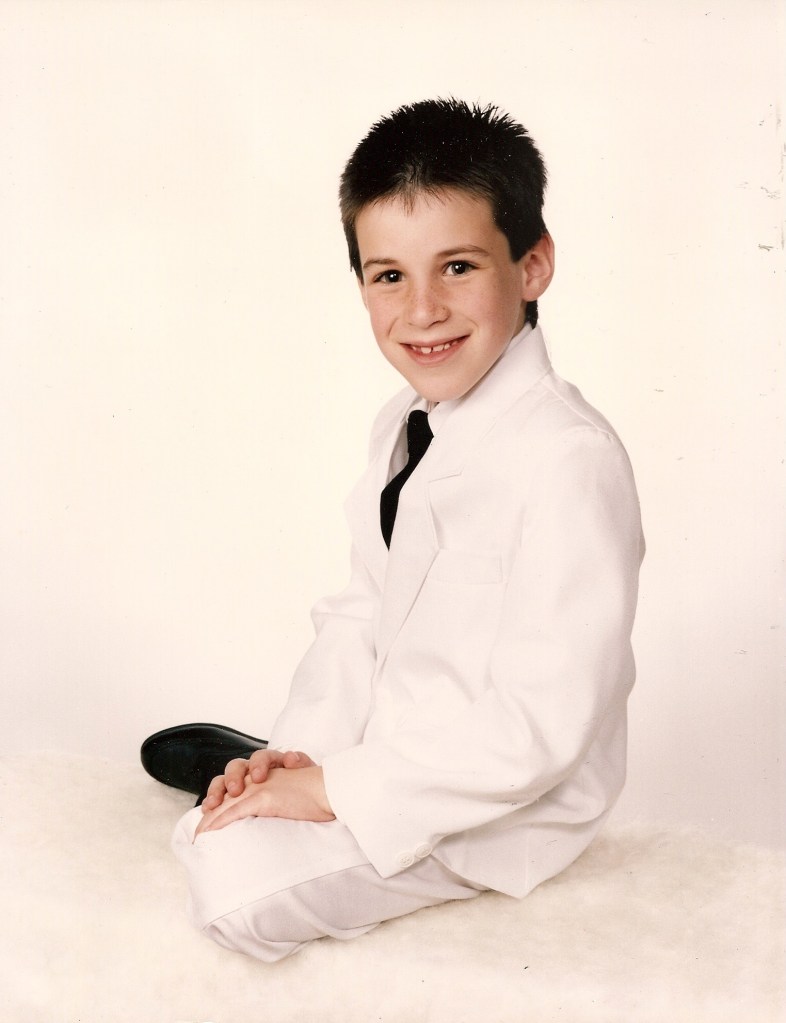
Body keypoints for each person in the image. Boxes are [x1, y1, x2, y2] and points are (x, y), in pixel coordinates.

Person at [143, 97, 644, 963]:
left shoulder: (568, 457)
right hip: (393, 747)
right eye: (388, 276)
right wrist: (297, 757)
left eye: (458, 267)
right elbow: (361, 613)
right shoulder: (403, 424)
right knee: (227, 819)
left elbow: (540, 724)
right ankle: (264, 755)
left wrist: (336, 788)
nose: (422, 311)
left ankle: (300, 790)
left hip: (502, 802)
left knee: (227, 881)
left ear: (532, 265)